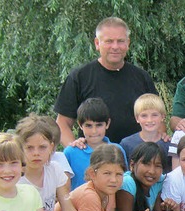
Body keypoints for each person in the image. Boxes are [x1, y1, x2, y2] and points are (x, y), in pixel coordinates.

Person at [15, 114, 123, 211]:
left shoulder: (54, 170)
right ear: (19, 148)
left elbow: (68, 208)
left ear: (51, 147)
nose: (36, 153)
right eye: (29, 148)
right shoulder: (16, 179)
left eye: (42, 147)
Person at [54, 17, 158, 145]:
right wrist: (76, 151)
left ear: (128, 43)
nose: (115, 47)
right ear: (97, 43)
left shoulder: (142, 77)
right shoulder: (79, 77)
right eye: (109, 41)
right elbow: (62, 123)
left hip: (137, 158)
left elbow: (158, 120)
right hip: (94, 159)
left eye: (120, 41)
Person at [51, 144, 158, 211]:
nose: (113, 180)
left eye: (119, 174)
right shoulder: (89, 196)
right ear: (92, 173)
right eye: (107, 173)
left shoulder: (109, 192)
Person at [116, 142, 185, 211]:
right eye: (146, 164)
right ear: (132, 165)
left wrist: (168, 209)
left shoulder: (158, 181)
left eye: (158, 166)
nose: (152, 171)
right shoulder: (128, 183)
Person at [64, 98, 127, 190]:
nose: (94, 131)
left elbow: (124, 180)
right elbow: (63, 187)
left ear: (107, 123)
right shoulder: (70, 152)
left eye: (99, 125)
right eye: (88, 125)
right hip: (78, 203)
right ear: (80, 125)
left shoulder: (117, 150)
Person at [119, 94, 171, 167]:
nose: (149, 120)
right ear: (137, 118)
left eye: (154, 115)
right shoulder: (126, 144)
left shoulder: (169, 144)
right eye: (144, 116)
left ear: (162, 116)